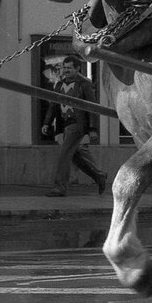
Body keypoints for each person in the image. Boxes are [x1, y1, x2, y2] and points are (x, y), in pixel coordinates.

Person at [41, 55, 107, 197]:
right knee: (76, 157)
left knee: (63, 154)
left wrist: (92, 129)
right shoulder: (59, 85)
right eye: (64, 68)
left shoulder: (84, 84)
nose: (66, 70)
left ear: (77, 69)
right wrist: (47, 122)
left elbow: (92, 107)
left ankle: (60, 187)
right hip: (64, 125)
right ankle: (99, 176)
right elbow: (53, 106)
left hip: (77, 124)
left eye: (69, 68)